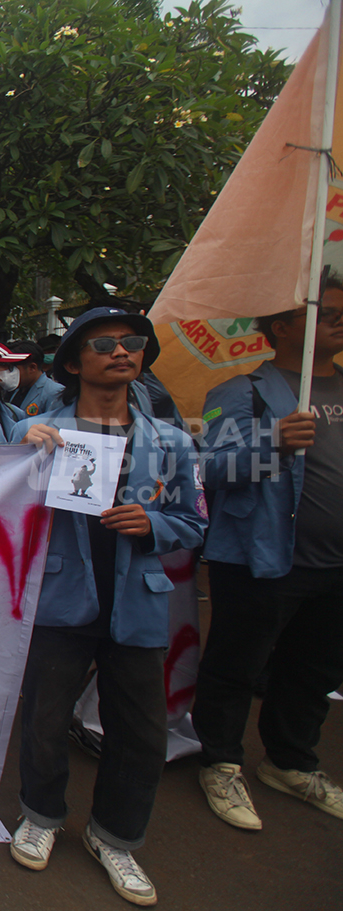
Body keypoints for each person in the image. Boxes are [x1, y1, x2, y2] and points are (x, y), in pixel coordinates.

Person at [7, 308, 205, 907]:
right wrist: (20, 447)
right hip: (62, 602)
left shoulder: (170, 441)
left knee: (142, 731)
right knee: (44, 718)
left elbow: (194, 522)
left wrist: (154, 525)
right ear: (73, 362)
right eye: (105, 344)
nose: (122, 352)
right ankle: (42, 814)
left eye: (132, 343)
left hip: (138, 608)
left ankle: (114, 835)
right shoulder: (42, 430)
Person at [191, 279, 343, 830]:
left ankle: (291, 762)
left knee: (313, 669)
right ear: (283, 326)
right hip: (260, 559)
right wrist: (272, 442)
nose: (339, 320)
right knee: (237, 664)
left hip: (334, 565)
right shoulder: (244, 394)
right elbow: (210, 472)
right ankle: (220, 761)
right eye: (327, 312)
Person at [7, 340, 65, 417]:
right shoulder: (15, 389)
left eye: (13, 368)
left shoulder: (55, 392)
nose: (9, 373)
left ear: (32, 367)